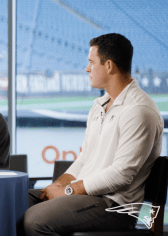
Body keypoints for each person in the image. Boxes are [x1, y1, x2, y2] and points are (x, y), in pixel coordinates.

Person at [24, 33, 163, 235]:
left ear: (108, 65)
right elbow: (86, 157)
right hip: (88, 198)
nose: (87, 68)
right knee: (12, 204)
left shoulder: (139, 110)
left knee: (34, 220)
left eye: (91, 62)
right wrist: (59, 184)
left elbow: (121, 174)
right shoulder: (100, 105)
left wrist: (68, 191)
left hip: (117, 207)